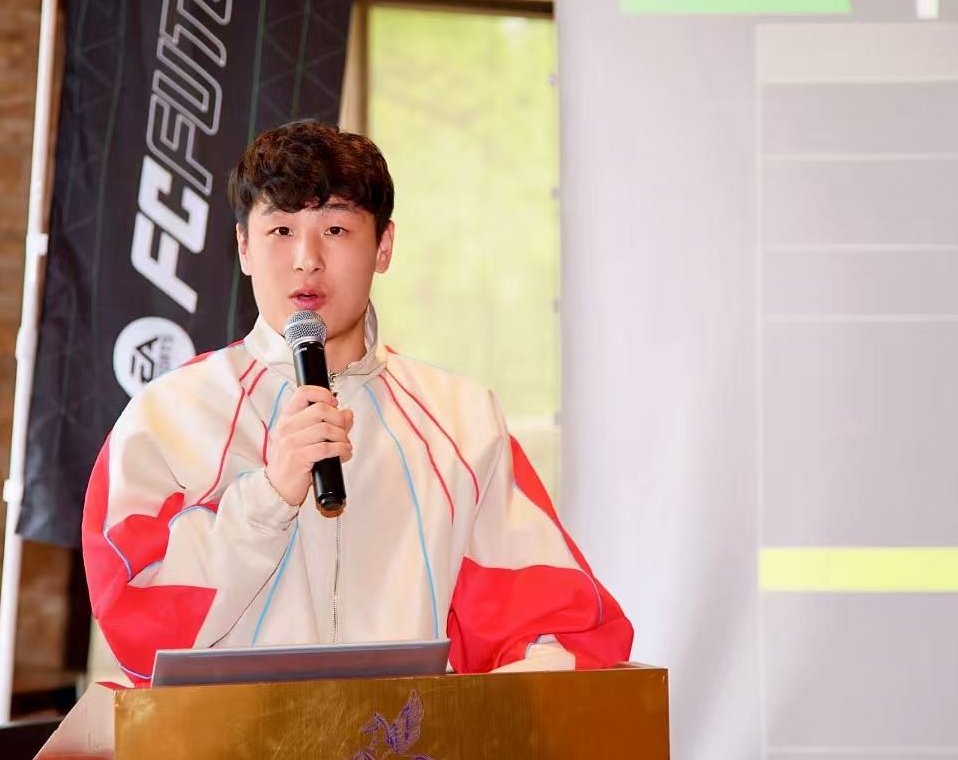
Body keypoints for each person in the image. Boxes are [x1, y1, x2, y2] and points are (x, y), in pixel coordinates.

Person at [82, 121, 632, 687]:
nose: (307, 259)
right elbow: (138, 626)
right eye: (281, 230)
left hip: (403, 741)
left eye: (336, 229)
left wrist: (482, 718)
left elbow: (553, 627)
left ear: (383, 246)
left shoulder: (464, 421)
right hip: (228, 742)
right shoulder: (168, 416)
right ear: (244, 246)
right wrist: (269, 497)